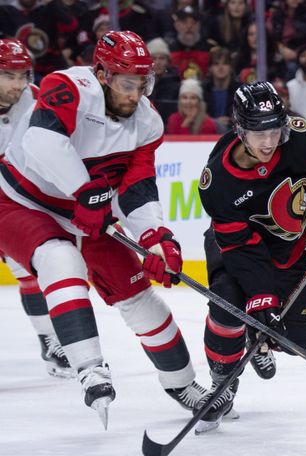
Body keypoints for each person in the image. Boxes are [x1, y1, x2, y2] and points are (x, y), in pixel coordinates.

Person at [0, 31, 208, 427]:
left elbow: (137, 187)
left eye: (143, 84)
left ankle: (182, 383)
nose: (136, 94)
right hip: (18, 201)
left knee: (138, 295)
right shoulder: (68, 87)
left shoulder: (147, 123)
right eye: (128, 84)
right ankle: (90, 369)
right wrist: (84, 191)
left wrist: (155, 239)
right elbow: (41, 143)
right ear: (101, 74)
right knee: (59, 259)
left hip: (84, 211)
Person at [195, 81, 306, 429]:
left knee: (298, 341)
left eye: (275, 131)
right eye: (259, 134)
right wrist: (261, 295)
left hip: (297, 246)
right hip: (242, 251)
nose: (269, 142)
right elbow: (239, 247)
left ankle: (260, 339)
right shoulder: (219, 180)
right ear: (240, 130)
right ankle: (223, 382)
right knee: (227, 303)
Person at [0, 38, 72, 379]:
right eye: (8, 75)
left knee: (28, 268)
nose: (17, 83)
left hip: (14, 200)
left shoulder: (36, 98)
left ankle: (50, 339)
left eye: (21, 74)